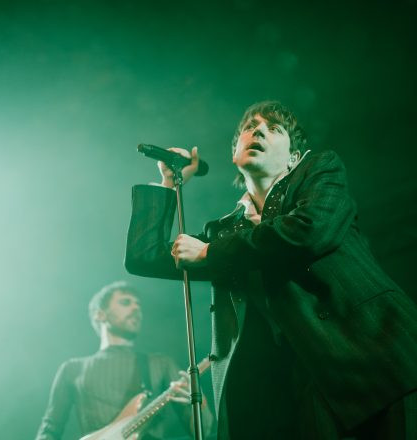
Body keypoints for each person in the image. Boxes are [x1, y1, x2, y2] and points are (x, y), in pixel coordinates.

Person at [125, 100, 417, 439]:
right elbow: (145, 256)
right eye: (250, 128)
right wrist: (168, 183)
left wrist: (209, 252)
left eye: (273, 128)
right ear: (234, 155)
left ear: (294, 157)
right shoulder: (224, 233)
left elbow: (310, 231)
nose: (259, 131)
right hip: (300, 388)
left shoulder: (319, 171)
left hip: (376, 360)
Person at [35, 281, 213, 440]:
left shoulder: (160, 363)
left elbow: (204, 432)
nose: (136, 308)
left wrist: (199, 400)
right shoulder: (72, 369)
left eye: (138, 305)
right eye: (126, 302)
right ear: (100, 315)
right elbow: (50, 428)